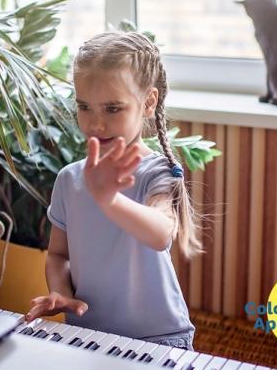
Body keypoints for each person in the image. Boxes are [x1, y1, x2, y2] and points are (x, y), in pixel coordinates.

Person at [24, 31, 203, 350]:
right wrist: (61, 292)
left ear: (149, 102)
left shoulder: (157, 171)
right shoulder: (69, 179)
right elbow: (58, 254)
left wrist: (110, 199)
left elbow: (161, 233)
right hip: (88, 334)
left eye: (112, 109)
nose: (95, 124)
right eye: (85, 107)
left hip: (158, 338)